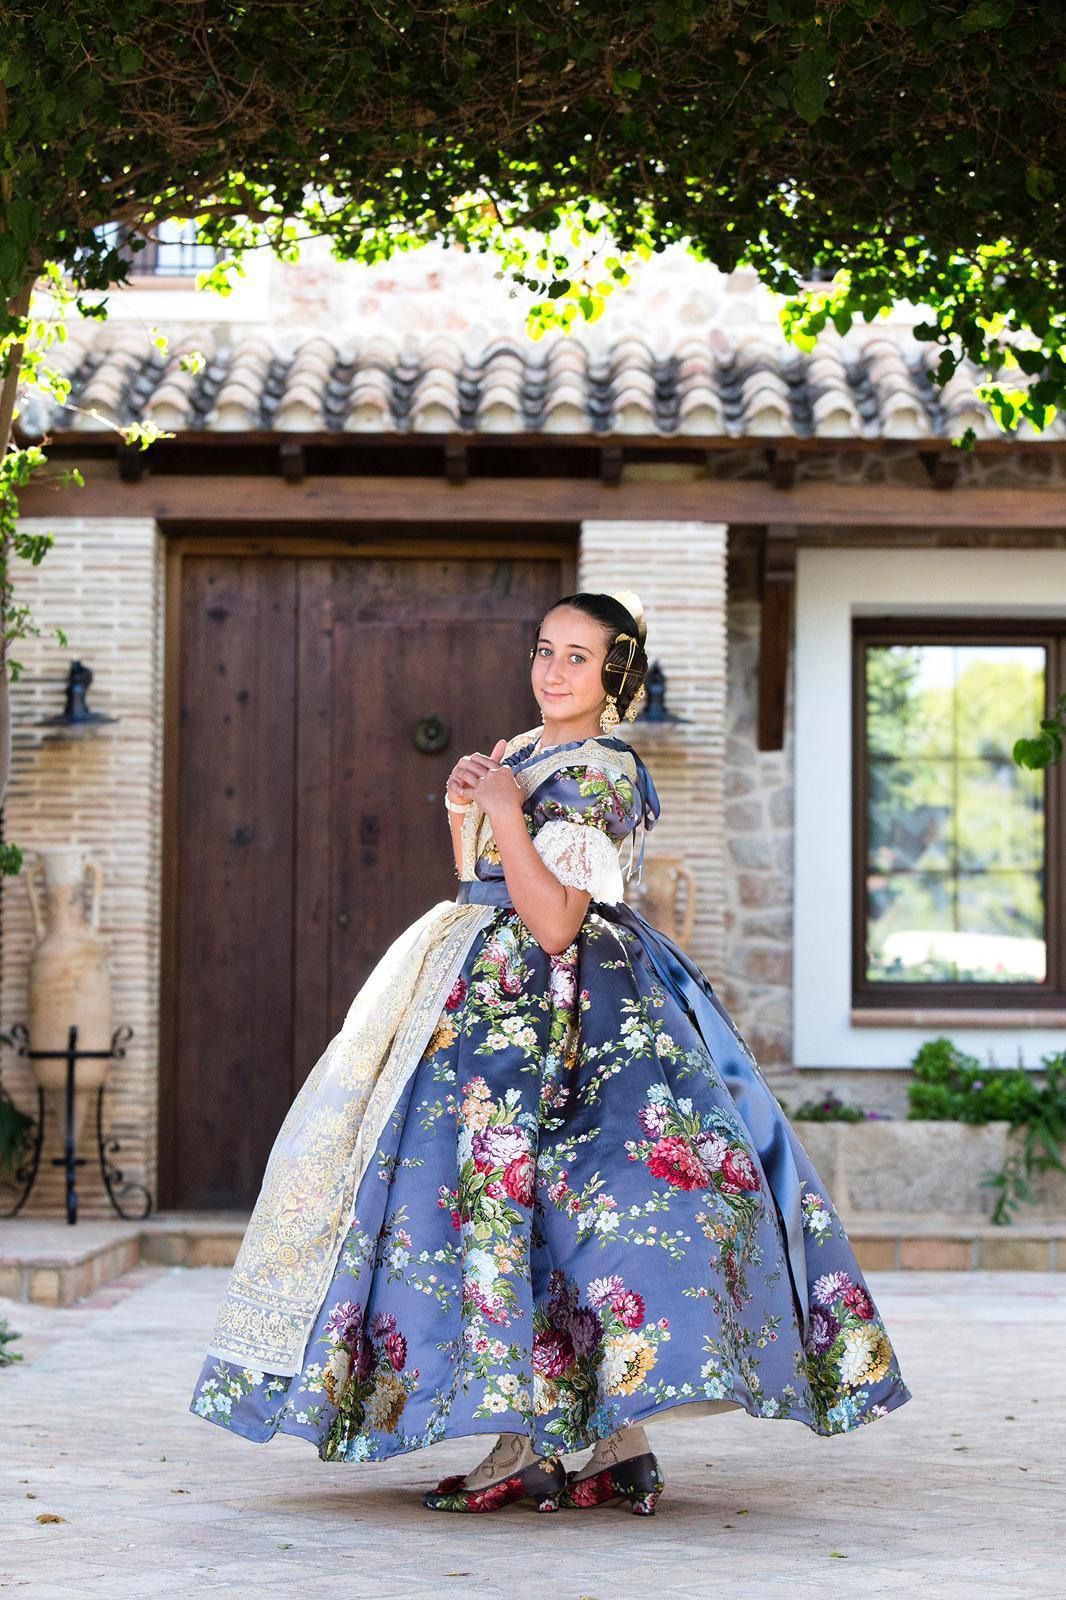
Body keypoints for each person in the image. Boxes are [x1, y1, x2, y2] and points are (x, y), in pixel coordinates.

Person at [189, 589, 912, 1515]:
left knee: (545, 1208)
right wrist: (471, 807)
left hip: (565, 1018)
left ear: (614, 675)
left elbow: (556, 918)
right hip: (479, 1000)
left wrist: (505, 809)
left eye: (578, 656)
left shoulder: (602, 771)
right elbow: (476, 880)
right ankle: (606, 1444)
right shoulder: (524, 752)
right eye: (544, 649)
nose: (553, 670)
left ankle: (539, 1442)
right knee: (526, 1214)